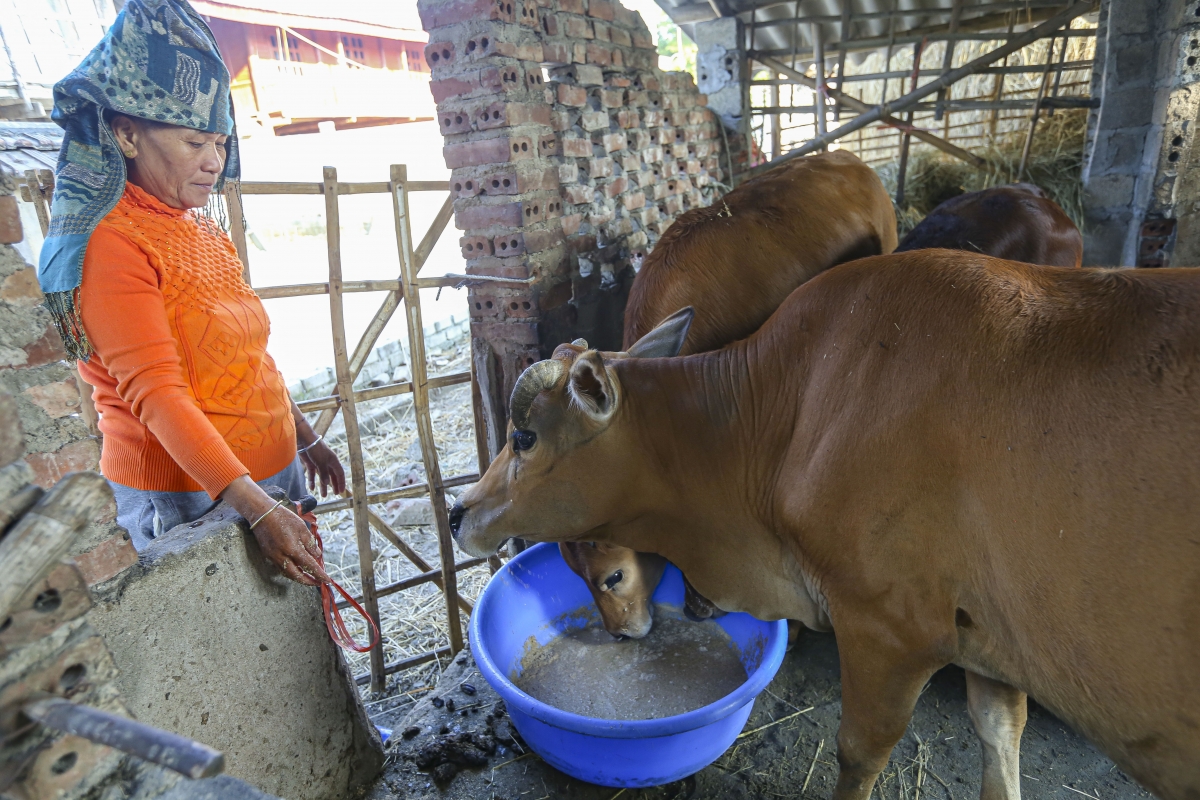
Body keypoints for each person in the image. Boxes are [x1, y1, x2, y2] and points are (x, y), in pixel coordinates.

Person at [36, 0, 342, 586]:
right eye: (195, 142)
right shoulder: (111, 242)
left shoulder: (196, 225)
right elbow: (157, 394)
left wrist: (305, 438)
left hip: (266, 479)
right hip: (196, 495)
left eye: (221, 144)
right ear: (126, 134)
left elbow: (248, 356)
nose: (213, 162)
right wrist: (255, 508)